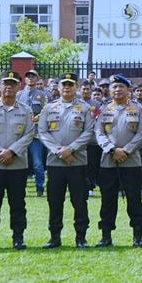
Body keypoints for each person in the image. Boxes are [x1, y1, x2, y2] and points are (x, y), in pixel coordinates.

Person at [0, 71, 35, 251]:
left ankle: (18, 237)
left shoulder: (26, 110)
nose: (9, 87)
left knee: (18, 203)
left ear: (18, 87)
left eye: (13, 83)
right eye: (5, 83)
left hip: (17, 164)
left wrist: (12, 151)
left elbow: (29, 134)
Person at [38, 72, 95, 249]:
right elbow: (42, 132)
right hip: (55, 163)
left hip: (77, 162)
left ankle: (81, 237)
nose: (67, 87)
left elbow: (88, 132)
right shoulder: (49, 108)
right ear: (59, 87)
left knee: (79, 201)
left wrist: (71, 149)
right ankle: (54, 237)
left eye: (71, 84)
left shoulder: (85, 108)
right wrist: (59, 151)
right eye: (64, 84)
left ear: (76, 87)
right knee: (54, 201)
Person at [93, 75, 142, 248]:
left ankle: (138, 236)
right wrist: (111, 149)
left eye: (121, 87)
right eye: (114, 87)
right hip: (108, 161)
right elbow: (99, 133)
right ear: (109, 90)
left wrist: (126, 150)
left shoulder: (139, 109)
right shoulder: (103, 110)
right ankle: (106, 236)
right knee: (108, 200)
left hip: (131, 161)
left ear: (128, 90)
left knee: (134, 199)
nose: (117, 90)